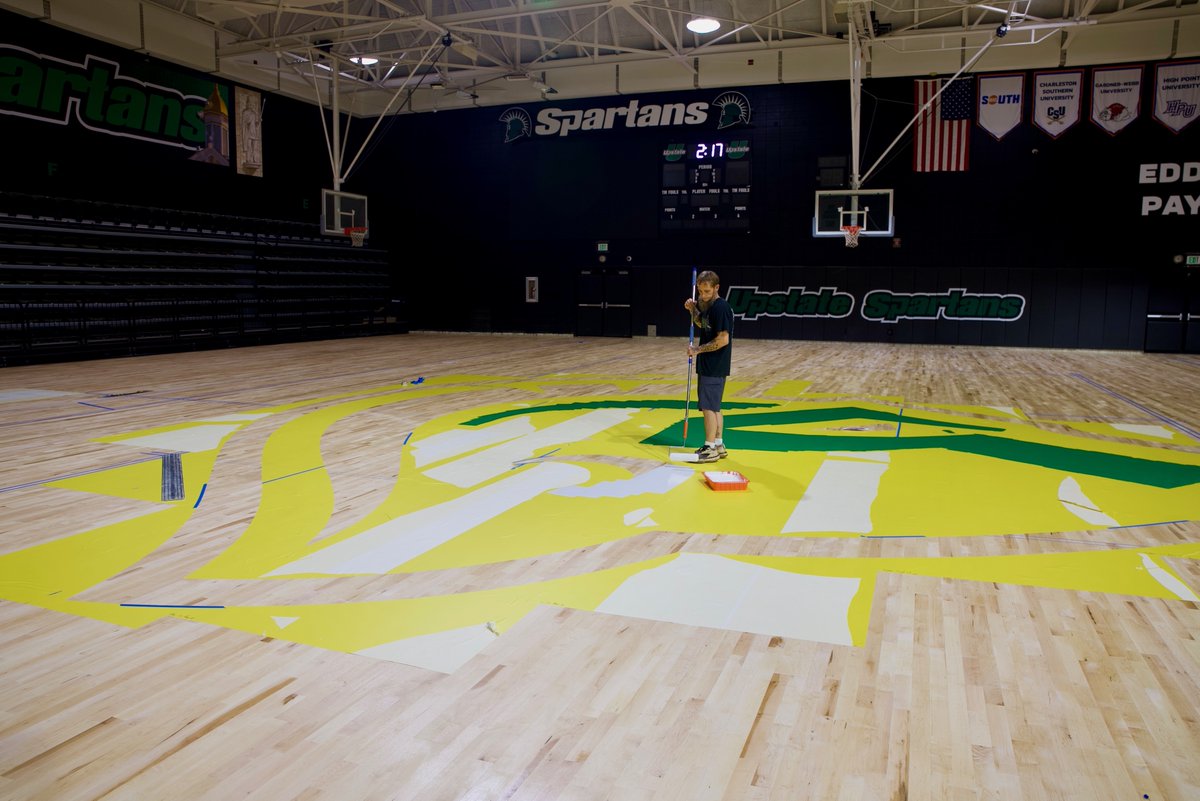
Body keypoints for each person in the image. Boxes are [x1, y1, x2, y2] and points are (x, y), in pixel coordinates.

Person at [684, 270, 733, 464]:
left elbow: (722, 340)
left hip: (714, 364)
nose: (702, 295)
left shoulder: (720, 308)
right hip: (710, 365)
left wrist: (696, 350)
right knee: (714, 407)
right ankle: (719, 444)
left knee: (707, 407)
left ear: (716, 288)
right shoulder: (709, 307)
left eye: (706, 291)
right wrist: (692, 309)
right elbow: (702, 324)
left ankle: (709, 447)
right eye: (700, 291)